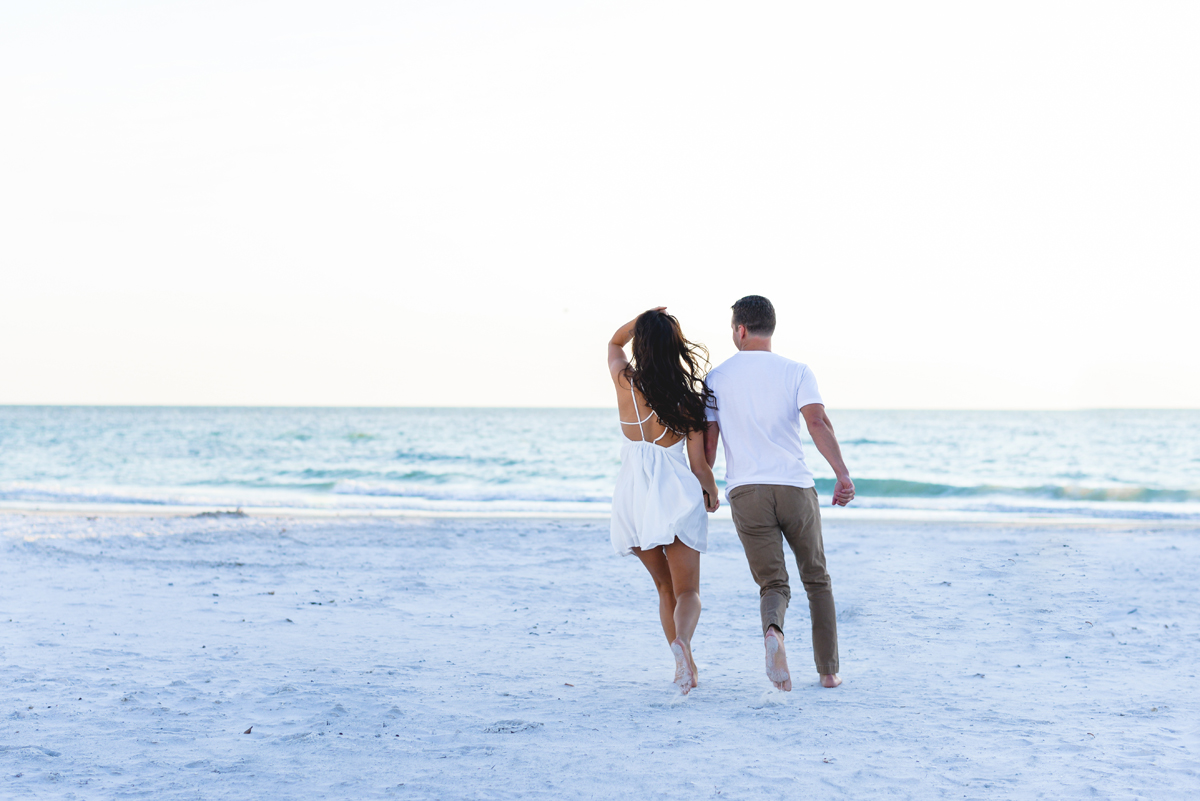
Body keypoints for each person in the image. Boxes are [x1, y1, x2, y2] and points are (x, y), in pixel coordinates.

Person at [703, 295, 855, 691]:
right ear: (770, 328)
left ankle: (774, 632)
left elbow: (709, 442)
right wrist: (842, 474)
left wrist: (706, 485)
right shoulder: (797, 371)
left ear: (740, 329)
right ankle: (828, 671)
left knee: (773, 584)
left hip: (746, 491)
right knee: (817, 579)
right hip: (794, 487)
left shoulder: (716, 378)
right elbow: (818, 422)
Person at [608, 307, 721, 694]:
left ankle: (681, 669)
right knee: (688, 592)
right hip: (675, 499)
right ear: (675, 348)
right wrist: (712, 492)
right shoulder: (687, 402)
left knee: (663, 588)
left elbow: (613, 342)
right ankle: (684, 645)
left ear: (642, 345)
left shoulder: (624, 382)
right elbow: (699, 466)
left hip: (634, 500)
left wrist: (642, 319)